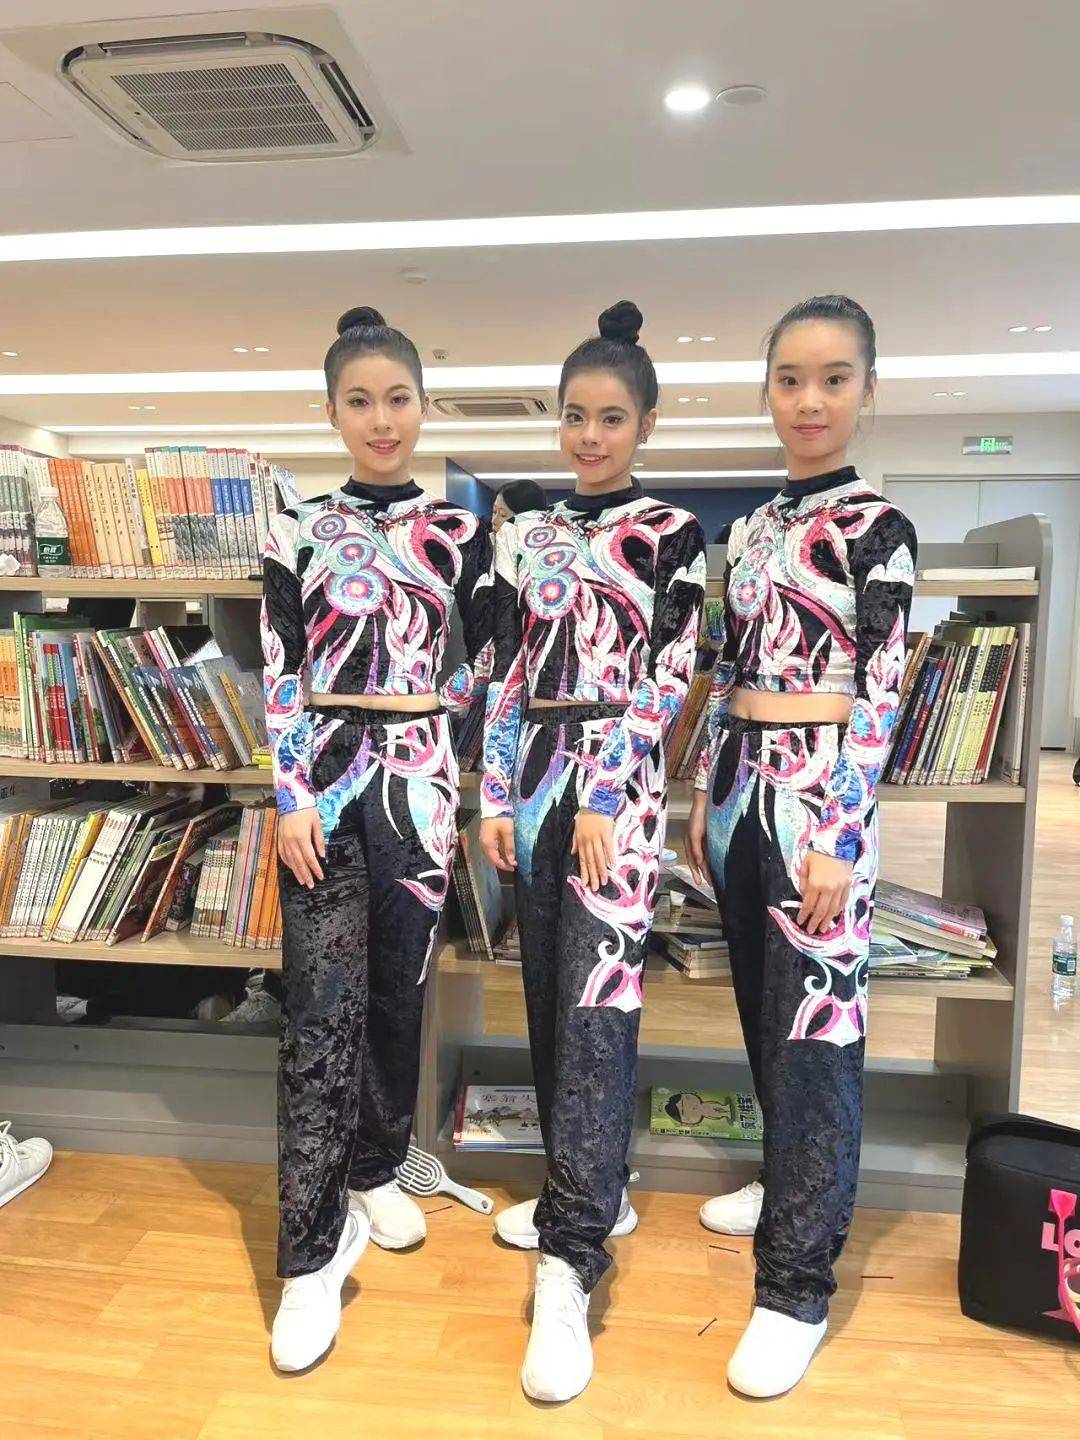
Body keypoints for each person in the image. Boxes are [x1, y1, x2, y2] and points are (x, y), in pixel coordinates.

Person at [687, 294, 917, 1398]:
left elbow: (882, 691)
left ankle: (796, 1288)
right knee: (760, 1012)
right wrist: (701, 787)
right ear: (767, 391)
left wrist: (840, 831)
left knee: (819, 1036)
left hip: (822, 798)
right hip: (739, 787)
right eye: (790, 379)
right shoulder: (750, 529)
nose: (810, 400)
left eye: (833, 378)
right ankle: (788, 1185)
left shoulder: (880, 527)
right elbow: (727, 663)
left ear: (868, 389)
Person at [479, 301, 706, 1402]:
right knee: (541, 998)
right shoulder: (526, 533)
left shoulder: (673, 533)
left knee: (598, 1012)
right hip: (532, 782)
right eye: (574, 416)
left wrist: (607, 790)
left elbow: (668, 678)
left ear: (646, 424)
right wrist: (492, 790)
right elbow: (504, 669)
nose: (589, 437)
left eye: (611, 418)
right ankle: (587, 1187)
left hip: (619, 790)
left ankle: (571, 1267)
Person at [262, 305, 492, 1373]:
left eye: (398, 398)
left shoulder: (464, 534)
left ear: (423, 405)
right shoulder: (296, 528)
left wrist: (436, 724)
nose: (381, 419)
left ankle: (374, 1165)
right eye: (359, 401)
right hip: (323, 789)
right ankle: (309, 1260)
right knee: (318, 1017)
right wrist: (290, 791)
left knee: (399, 998)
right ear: (332, 413)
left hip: (422, 787)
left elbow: (494, 660)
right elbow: (279, 663)